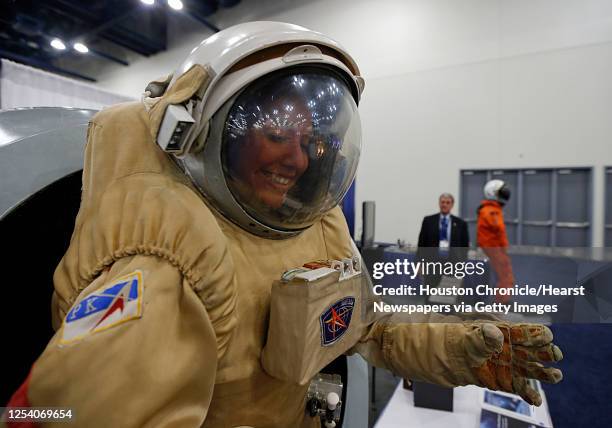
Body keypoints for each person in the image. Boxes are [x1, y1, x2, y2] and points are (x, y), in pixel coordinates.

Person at [5, 22, 562, 427]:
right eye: (275, 135)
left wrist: (460, 349)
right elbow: (74, 412)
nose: (296, 159)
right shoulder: (169, 262)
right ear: (207, 134)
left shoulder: (316, 230)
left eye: (309, 142)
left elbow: (369, 329)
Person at [416, 193, 470, 288]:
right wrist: (419, 264)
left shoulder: (461, 224)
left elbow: (464, 247)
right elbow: (421, 243)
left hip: (452, 265)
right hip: (432, 265)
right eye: (442, 202)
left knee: (447, 298)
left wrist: (461, 266)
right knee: (430, 296)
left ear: (452, 205)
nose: (444, 204)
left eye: (447, 202)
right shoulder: (428, 221)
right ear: (439, 203)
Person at [478, 179, 514, 303]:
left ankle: (501, 301)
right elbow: (498, 230)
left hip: (494, 247)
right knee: (506, 277)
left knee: (504, 276)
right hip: (494, 247)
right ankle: (501, 303)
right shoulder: (491, 211)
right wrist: (504, 248)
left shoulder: (490, 210)